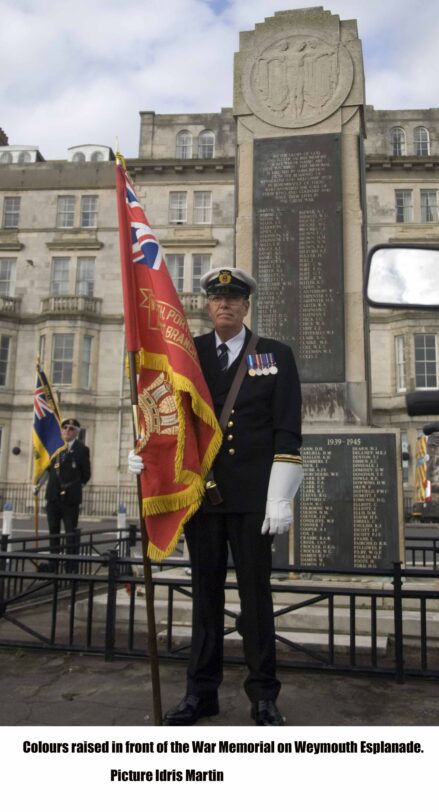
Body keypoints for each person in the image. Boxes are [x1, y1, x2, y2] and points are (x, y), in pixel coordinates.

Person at [128, 267, 303, 725]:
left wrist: (280, 497)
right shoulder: (189, 354)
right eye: (217, 297)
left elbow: (287, 429)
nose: (224, 303)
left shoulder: (275, 355)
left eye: (233, 297)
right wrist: (146, 454)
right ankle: (199, 694)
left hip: (251, 502)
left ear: (246, 305)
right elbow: (166, 416)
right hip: (202, 499)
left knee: (256, 601)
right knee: (204, 601)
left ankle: (263, 696)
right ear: (207, 305)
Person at [44, 418, 91, 572]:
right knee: (53, 533)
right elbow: (47, 470)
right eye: (65, 428)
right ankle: (53, 565)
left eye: (71, 428)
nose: (67, 431)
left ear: (76, 432)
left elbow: (86, 474)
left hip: (70, 499)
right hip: (53, 497)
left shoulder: (82, 449)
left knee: (70, 533)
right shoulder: (54, 448)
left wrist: (74, 487)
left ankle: (70, 567)